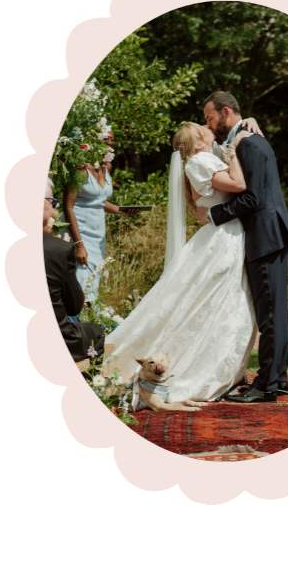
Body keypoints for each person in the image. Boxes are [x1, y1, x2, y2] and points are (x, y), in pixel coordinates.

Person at [102, 121, 259, 402]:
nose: (208, 126)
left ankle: (224, 365)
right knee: (212, 299)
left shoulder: (206, 158)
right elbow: (238, 184)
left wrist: (238, 139)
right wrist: (234, 150)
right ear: (198, 143)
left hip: (227, 231)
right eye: (203, 127)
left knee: (224, 301)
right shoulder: (199, 161)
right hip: (222, 235)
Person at [197, 92, 288, 403]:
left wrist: (213, 215)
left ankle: (266, 385)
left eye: (211, 118)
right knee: (275, 313)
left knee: (269, 315)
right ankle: (276, 378)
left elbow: (251, 197)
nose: (208, 125)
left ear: (226, 112)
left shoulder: (249, 143)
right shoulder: (250, 138)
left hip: (264, 236)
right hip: (273, 232)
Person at [61, 127, 138, 307]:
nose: (110, 143)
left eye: (112, 139)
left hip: (98, 233)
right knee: (80, 276)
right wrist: (79, 244)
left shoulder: (106, 167)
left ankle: (91, 320)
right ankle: (78, 321)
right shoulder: (79, 169)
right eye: (106, 139)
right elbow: (68, 206)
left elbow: (99, 201)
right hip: (79, 231)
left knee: (94, 277)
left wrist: (122, 210)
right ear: (93, 141)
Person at [43, 179, 105, 362]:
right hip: (53, 337)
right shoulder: (58, 249)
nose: (55, 209)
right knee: (97, 333)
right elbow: (74, 306)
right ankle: (93, 387)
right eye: (52, 202)